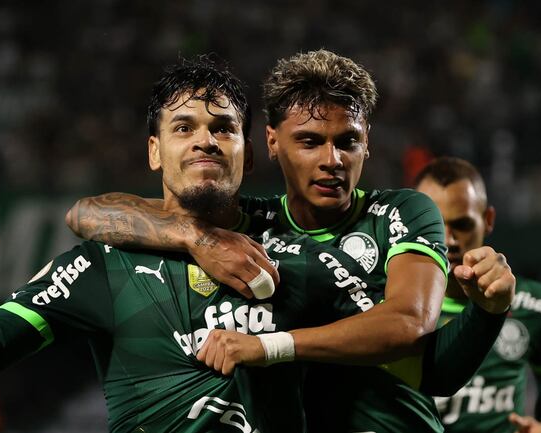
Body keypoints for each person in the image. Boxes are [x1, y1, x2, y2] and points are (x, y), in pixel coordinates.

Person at [66, 50, 517, 432]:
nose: (332, 160)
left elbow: (412, 329)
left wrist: (489, 312)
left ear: (368, 143)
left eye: (348, 141)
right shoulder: (251, 230)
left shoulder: (401, 212)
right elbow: (86, 213)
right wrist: (195, 237)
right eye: (309, 141)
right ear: (272, 142)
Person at [0, 56, 388, 433]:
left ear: (248, 155)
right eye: (184, 128)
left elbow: (396, 341)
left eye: (224, 128)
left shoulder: (296, 238)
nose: (205, 141)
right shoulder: (104, 263)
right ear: (155, 151)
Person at [414, 157, 541, 433]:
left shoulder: (534, 305)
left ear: (487, 220)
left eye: (462, 224)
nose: (447, 239)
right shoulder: (389, 304)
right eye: (434, 223)